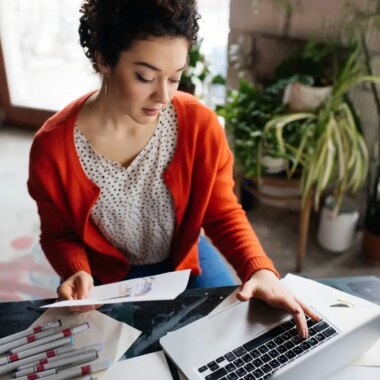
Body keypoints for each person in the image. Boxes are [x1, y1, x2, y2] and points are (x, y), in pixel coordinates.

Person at [27, 0, 318, 337]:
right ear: (104, 59)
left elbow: (221, 212)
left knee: (232, 336)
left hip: (184, 257)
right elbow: (58, 234)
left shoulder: (199, 125)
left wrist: (259, 269)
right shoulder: (52, 148)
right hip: (104, 276)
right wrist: (75, 268)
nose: (163, 96)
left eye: (175, 78)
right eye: (145, 77)